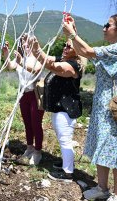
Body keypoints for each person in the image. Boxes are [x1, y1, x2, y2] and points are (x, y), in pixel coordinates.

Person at [63, 14, 117, 201]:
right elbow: (83, 51)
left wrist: (72, 35)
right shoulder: (111, 48)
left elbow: (86, 51)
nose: (103, 28)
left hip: (112, 108)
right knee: (102, 148)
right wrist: (73, 34)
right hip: (102, 106)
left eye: (107, 25)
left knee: (116, 151)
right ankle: (102, 188)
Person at [29, 36, 84, 179]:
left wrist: (36, 49)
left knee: (65, 139)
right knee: (63, 138)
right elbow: (46, 58)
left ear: (77, 51)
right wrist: (36, 49)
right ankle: (67, 163)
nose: (65, 48)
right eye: (65, 45)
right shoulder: (64, 59)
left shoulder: (72, 66)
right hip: (60, 108)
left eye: (69, 47)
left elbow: (51, 66)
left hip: (66, 109)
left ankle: (68, 173)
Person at [2, 35, 45, 165]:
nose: (25, 45)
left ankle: (38, 152)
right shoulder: (20, 57)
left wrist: (22, 62)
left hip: (35, 94)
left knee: (36, 123)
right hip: (23, 94)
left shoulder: (39, 57)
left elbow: (36, 70)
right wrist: (6, 54)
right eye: (22, 43)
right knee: (27, 122)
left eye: (27, 43)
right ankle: (29, 147)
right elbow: (10, 66)